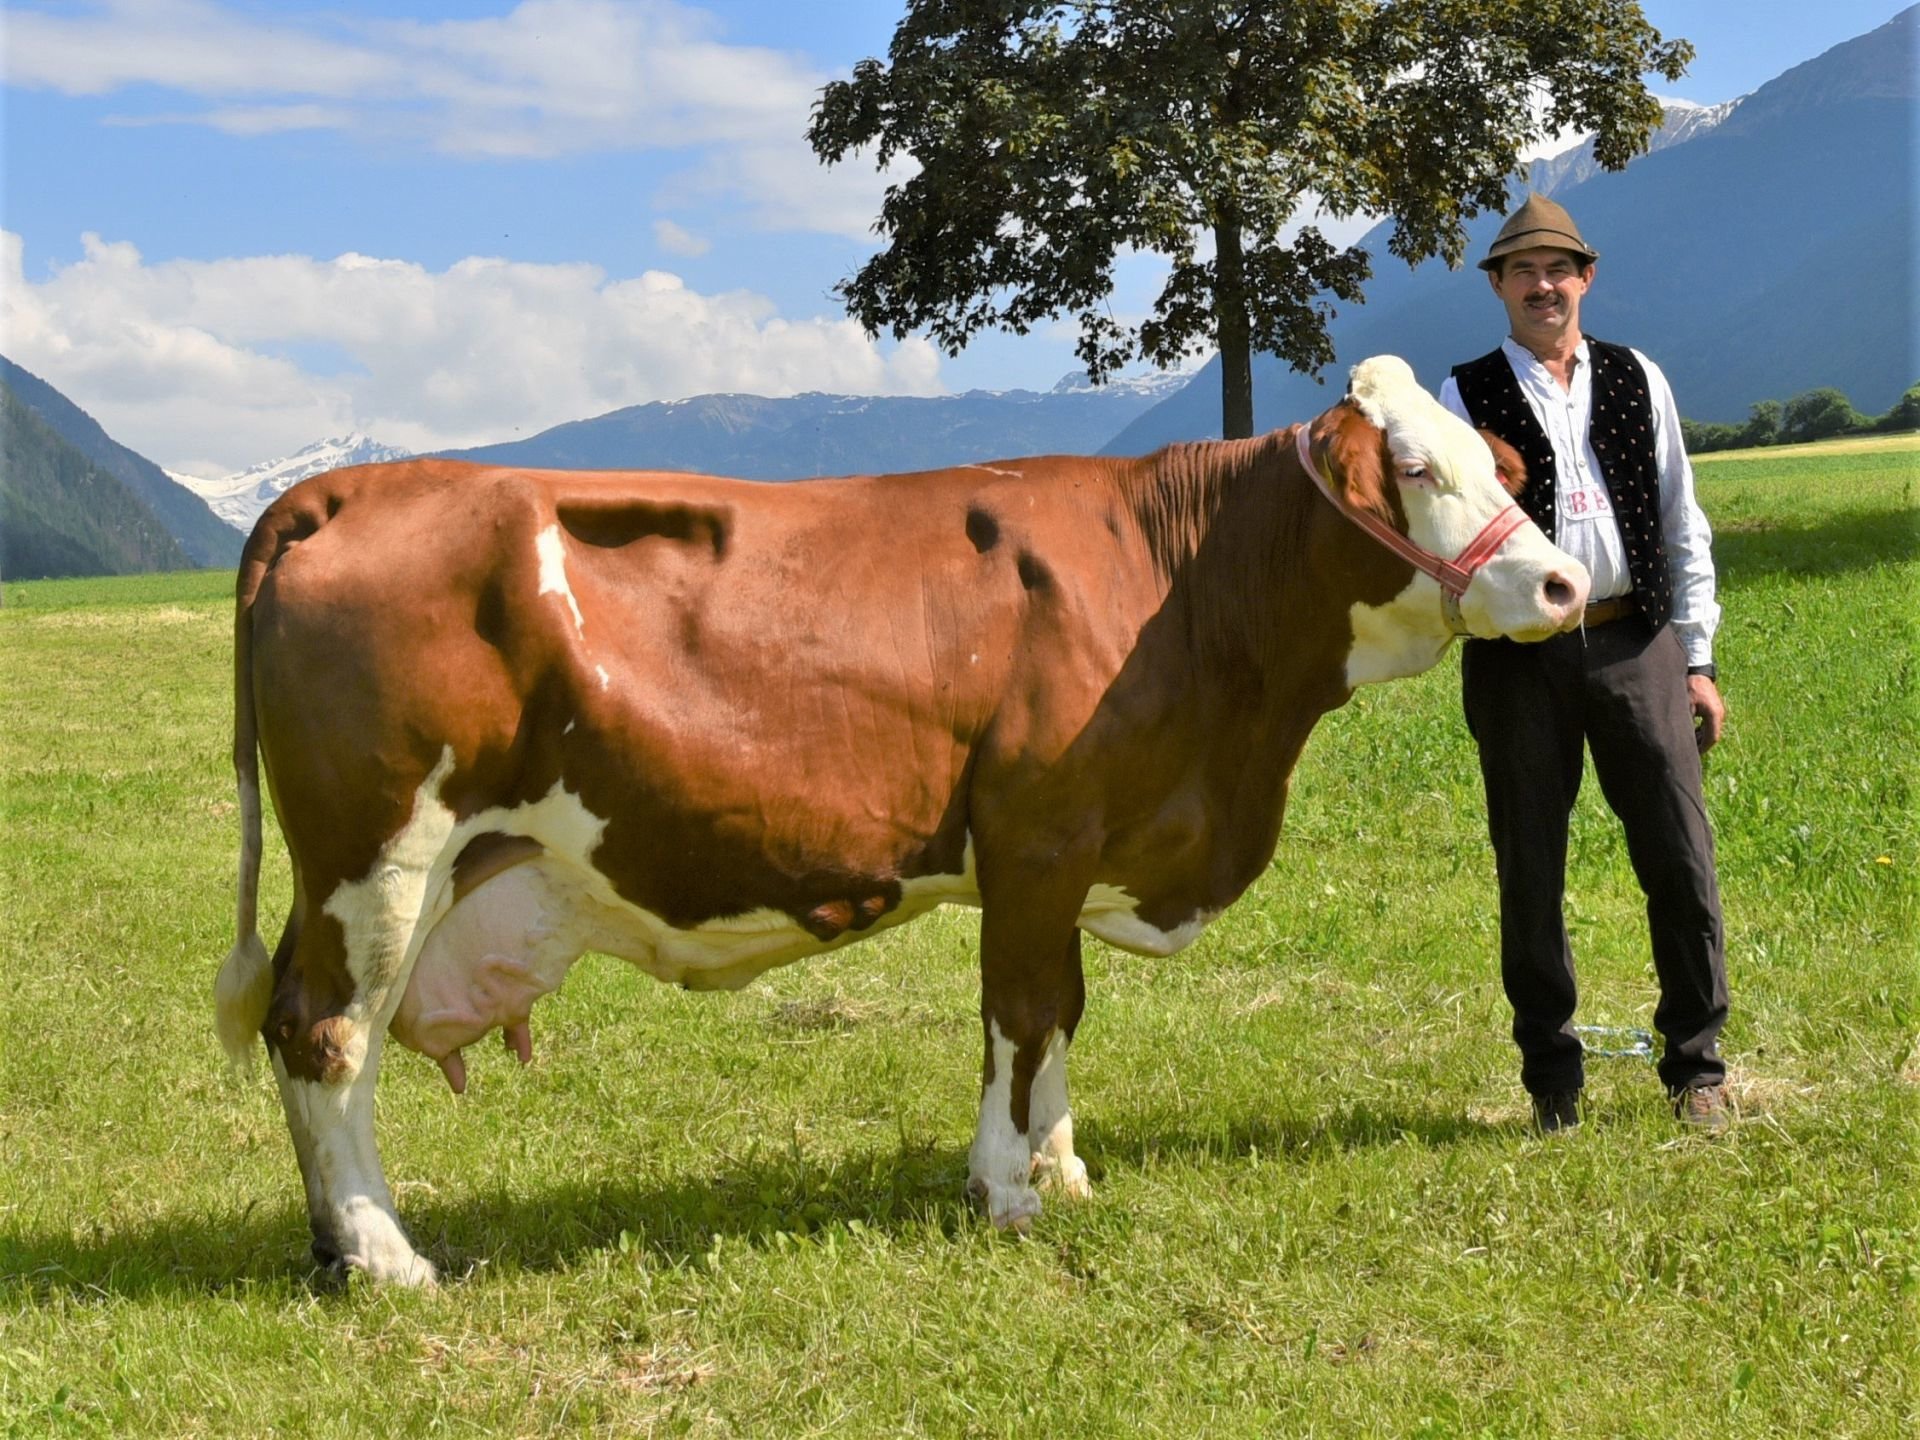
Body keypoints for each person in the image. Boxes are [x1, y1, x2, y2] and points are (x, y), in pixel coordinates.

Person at [1437, 193, 1731, 1134]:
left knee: (1680, 858)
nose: (1542, 285)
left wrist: (1697, 657)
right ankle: (1552, 1083)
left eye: (1558, 269)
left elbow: (1682, 521)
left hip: (1637, 641)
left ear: (1586, 278)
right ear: (1498, 287)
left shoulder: (1640, 377)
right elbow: (1448, 542)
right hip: (1519, 661)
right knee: (1531, 867)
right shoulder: (1463, 393)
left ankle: (1698, 1068)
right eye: (1522, 271)